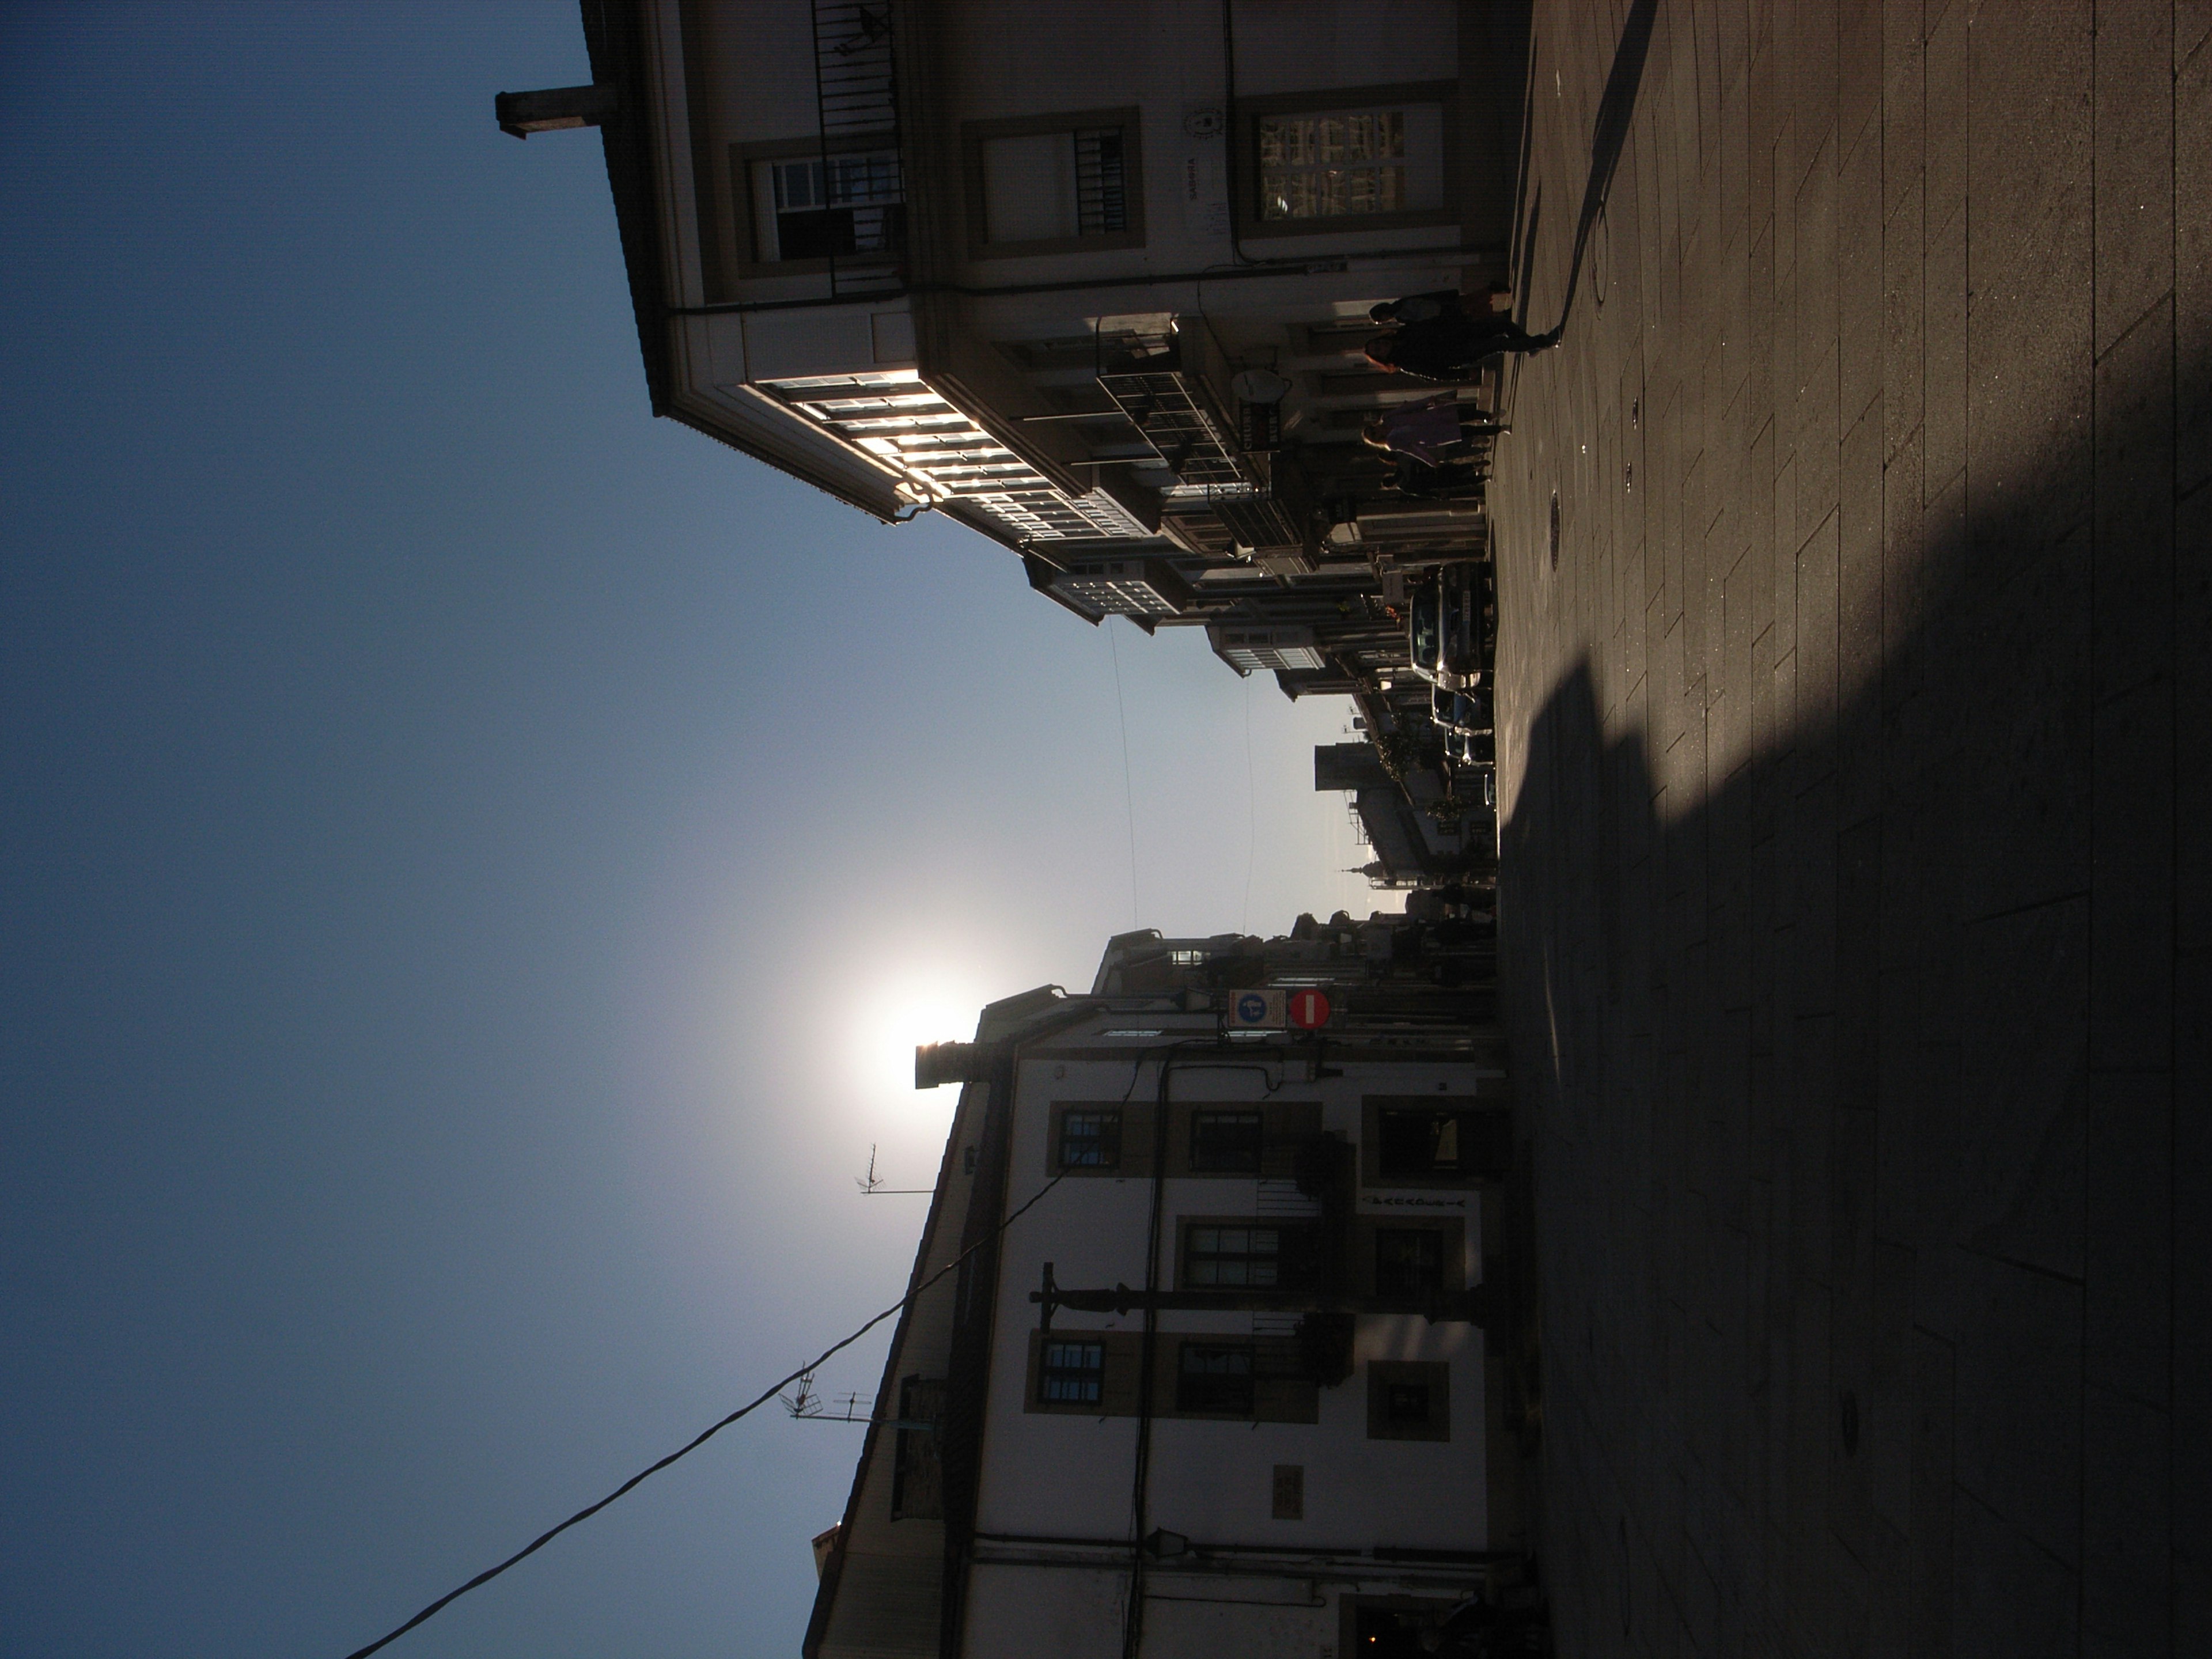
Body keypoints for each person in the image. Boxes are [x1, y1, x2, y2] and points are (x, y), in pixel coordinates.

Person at [1365, 312, 1560, 380]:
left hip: (1460, 332)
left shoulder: (1404, 332)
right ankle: (1546, 341)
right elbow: (1435, 374)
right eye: (1379, 350)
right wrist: (1462, 375)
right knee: (1500, 343)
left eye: (1378, 343)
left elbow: (1432, 322)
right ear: (1383, 358)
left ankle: (1531, 345)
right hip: (1459, 353)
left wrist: (1457, 318)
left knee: (1502, 324)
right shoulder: (1406, 362)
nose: (1381, 346)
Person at [1361, 393, 1507, 467]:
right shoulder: (1392, 443)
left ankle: (1488, 416)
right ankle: (1500, 429)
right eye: (1374, 435)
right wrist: (1430, 461)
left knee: (1464, 414)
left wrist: (1427, 401)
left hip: (1432, 417)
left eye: (1373, 429)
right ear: (1377, 439)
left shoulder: (1388, 418)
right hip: (1434, 435)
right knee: (1469, 431)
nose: (1376, 431)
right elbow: (1413, 450)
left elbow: (1408, 408)